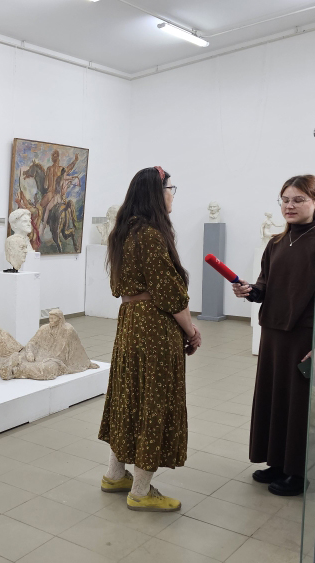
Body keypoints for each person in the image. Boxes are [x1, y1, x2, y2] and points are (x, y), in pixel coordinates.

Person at [99, 166, 200, 512]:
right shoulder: (151, 235)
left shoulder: (123, 232)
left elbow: (119, 286)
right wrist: (191, 330)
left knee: (129, 396)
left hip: (130, 323)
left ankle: (114, 474)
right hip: (154, 327)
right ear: (158, 193)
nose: (172, 195)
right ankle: (141, 491)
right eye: (170, 188)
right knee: (153, 401)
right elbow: (169, 293)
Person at [232, 175, 315, 496]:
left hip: (303, 336)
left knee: (298, 405)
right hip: (273, 334)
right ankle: (277, 462)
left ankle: (298, 472)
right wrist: (250, 290)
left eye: (298, 199)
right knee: (274, 398)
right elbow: (264, 286)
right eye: (285, 199)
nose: (289, 205)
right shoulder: (275, 243)